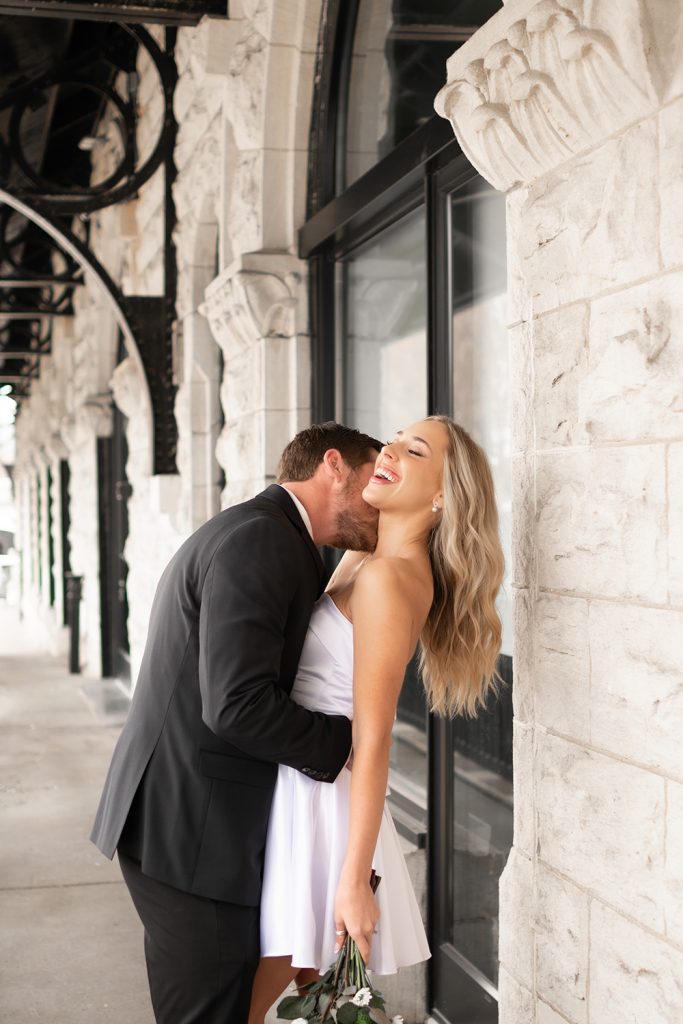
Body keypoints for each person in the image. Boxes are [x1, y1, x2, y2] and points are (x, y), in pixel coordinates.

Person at [90, 421, 383, 1024]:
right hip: (191, 833)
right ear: (334, 466)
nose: (378, 503)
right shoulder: (262, 541)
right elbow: (235, 704)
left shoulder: (265, 532)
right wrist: (348, 742)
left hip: (186, 823)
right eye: (372, 480)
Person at [248, 415, 506, 1022]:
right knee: (317, 996)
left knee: (254, 1006)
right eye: (394, 439)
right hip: (299, 785)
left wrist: (354, 878)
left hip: (321, 806)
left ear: (442, 496)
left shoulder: (391, 577)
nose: (389, 450)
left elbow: (373, 737)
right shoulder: (365, 557)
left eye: (414, 451)